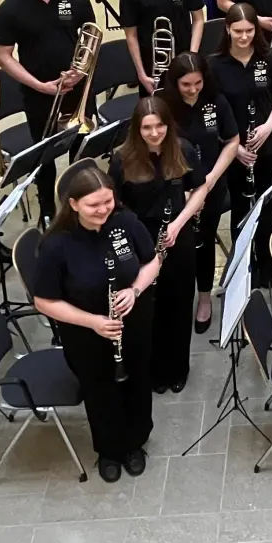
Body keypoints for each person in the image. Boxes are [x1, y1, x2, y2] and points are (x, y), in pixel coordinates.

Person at [30, 166, 162, 482]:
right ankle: (109, 450)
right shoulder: (56, 245)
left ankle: (135, 444)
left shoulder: (125, 222)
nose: (103, 210)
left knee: (138, 381)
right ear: (73, 204)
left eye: (107, 201)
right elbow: (44, 301)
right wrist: (93, 322)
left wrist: (135, 290)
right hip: (86, 334)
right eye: (93, 205)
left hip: (134, 322)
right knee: (99, 390)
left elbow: (153, 260)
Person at [109, 97, 211, 393]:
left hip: (175, 236)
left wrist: (179, 223)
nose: (155, 133)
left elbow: (200, 186)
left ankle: (178, 368)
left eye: (160, 126)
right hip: (139, 240)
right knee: (148, 308)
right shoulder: (122, 159)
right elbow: (115, 205)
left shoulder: (183, 149)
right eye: (147, 128)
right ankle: (153, 369)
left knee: (178, 303)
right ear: (137, 129)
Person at [0, 0, 98, 215]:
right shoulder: (11, 8)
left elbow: (91, 38)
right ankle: (49, 209)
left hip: (77, 88)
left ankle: (83, 203)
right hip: (39, 92)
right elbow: (3, 56)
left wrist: (80, 72)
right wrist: (38, 85)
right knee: (45, 154)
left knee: (82, 148)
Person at [156, 52, 240, 334]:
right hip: (172, 190)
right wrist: (187, 191)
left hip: (211, 185)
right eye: (186, 85)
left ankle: (204, 298)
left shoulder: (216, 101)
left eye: (197, 83)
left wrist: (209, 181)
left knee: (203, 243)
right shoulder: (163, 106)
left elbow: (232, 141)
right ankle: (176, 300)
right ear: (174, 83)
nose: (193, 90)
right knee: (174, 248)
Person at [211, 4, 272, 287]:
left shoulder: (268, 58)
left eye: (249, 31)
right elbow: (213, 111)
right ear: (228, 31)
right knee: (241, 209)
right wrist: (233, 146)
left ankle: (269, 267)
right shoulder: (215, 65)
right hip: (235, 148)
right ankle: (243, 270)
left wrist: (268, 126)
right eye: (238, 32)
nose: (244, 37)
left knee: (266, 206)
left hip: (265, 145)